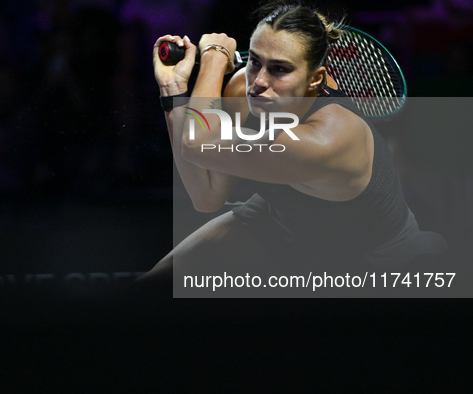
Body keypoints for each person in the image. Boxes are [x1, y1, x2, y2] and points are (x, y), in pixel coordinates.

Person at [139, 1, 448, 283]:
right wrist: (173, 87)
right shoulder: (243, 91)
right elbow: (206, 194)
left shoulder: (328, 139)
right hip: (282, 221)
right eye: (256, 62)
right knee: (152, 289)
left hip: (367, 257)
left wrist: (213, 57)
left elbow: (196, 143)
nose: (259, 82)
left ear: (316, 78)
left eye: (280, 70)